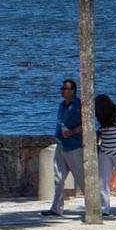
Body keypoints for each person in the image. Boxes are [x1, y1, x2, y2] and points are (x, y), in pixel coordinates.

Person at [43, 78, 85, 216]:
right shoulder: (62, 105)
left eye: (65, 89)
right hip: (61, 145)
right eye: (61, 89)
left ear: (72, 91)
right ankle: (56, 208)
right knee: (58, 178)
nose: (62, 91)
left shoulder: (79, 105)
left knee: (81, 178)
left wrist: (72, 132)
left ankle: (95, 206)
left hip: (74, 146)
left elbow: (86, 125)